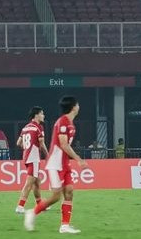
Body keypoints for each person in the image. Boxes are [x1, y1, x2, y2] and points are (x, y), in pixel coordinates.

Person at [26, 95, 84, 234]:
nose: (79, 107)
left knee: (69, 192)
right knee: (56, 196)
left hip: (65, 163)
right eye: (77, 104)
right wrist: (79, 159)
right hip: (55, 164)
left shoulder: (70, 123)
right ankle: (32, 213)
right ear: (73, 107)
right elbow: (63, 144)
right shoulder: (62, 122)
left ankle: (64, 226)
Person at [15, 107, 47, 214]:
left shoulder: (25, 128)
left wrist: (27, 148)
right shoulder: (39, 127)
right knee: (29, 183)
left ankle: (40, 205)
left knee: (36, 182)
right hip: (33, 158)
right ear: (36, 115)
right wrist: (48, 156)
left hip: (26, 157)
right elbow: (42, 144)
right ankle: (20, 206)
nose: (43, 116)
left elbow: (18, 143)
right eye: (42, 114)